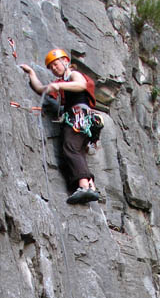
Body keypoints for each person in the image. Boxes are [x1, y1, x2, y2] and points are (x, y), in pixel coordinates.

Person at [20, 48, 100, 205]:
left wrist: (61, 85)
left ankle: (84, 187)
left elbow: (81, 85)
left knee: (71, 147)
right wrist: (31, 73)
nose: (54, 68)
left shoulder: (72, 75)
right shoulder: (61, 82)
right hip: (79, 119)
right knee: (78, 151)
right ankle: (90, 185)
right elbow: (41, 89)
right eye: (51, 67)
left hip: (79, 117)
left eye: (56, 64)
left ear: (66, 61)